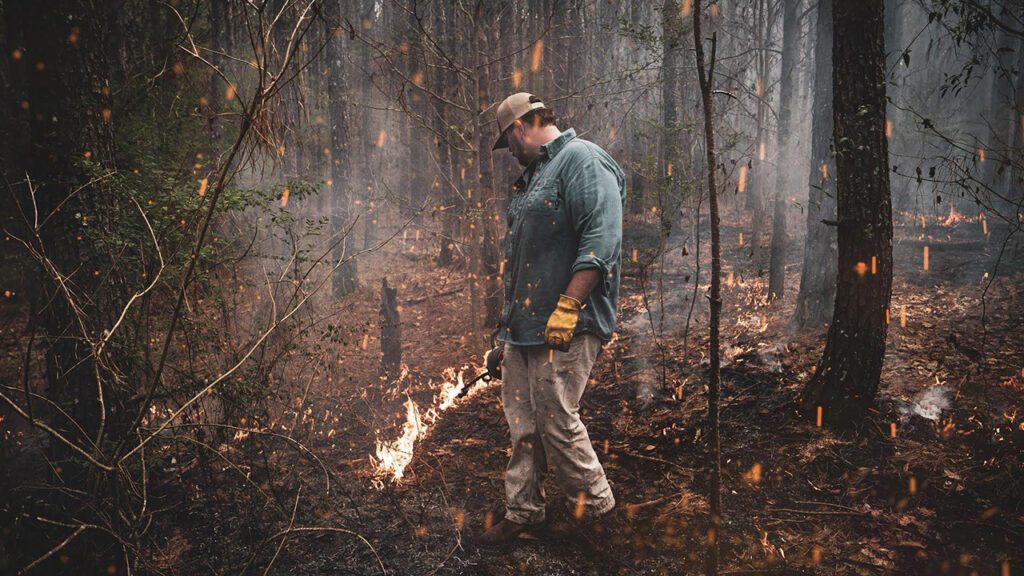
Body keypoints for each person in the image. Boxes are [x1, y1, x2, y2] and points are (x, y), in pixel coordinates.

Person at [478, 92, 626, 546]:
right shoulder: (534, 179)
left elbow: (602, 239)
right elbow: (522, 267)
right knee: (523, 424)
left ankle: (600, 514)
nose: (511, 153)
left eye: (509, 141)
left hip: (567, 325)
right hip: (524, 330)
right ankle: (524, 511)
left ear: (521, 127)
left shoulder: (582, 160)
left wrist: (569, 306)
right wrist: (505, 336)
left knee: (556, 419)